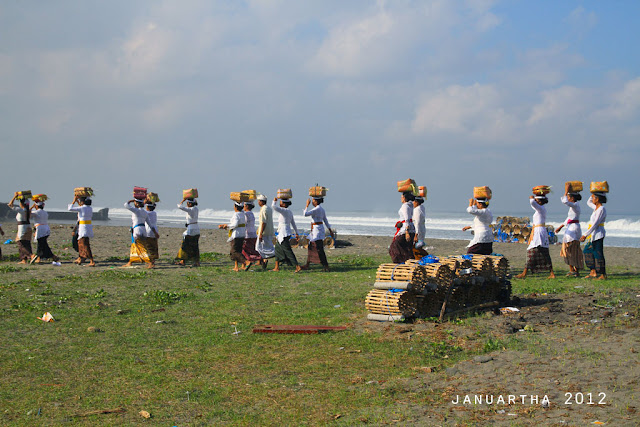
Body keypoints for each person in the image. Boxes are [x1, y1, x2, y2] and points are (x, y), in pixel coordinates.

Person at [516, 194, 555, 279]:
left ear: (539, 202)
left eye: (537, 200)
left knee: (532, 251)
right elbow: (534, 206)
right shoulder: (540, 209)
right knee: (543, 252)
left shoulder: (540, 209)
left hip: (539, 232)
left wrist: (531, 199)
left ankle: (525, 273)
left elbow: (533, 204)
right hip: (538, 231)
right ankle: (551, 273)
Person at [555, 183, 584, 277]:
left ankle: (573, 270)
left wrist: (566, 191)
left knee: (569, 250)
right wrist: (561, 226)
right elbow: (569, 218)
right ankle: (574, 270)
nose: (567, 197)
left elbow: (565, 202)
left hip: (573, 229)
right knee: (572, 249)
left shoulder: (575, 205)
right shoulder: (575, 207)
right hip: (572, 227)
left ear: (572, 198)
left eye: (568, 196)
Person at [580, 192, 607, 280]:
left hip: (598, 234)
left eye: (594, 198)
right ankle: (593, 271)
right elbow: (588, 202)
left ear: (598, 199)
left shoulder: (601, 209)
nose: (593, 199)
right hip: (593, 234)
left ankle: (602, 274)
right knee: (587, 251)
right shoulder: (596, 208)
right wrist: (592, 194)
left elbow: (595, 224)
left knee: (598, 253)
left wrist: (585, 234)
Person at [301, 196, 333, 271]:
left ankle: (325, 265)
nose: (312, 202)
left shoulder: (316, 209)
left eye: (313, 200)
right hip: (317, 230)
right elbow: (326, 221)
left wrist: (307, 205)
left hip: (317, 231)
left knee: (318, 248)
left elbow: (305, 214)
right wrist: (330, 230)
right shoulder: (322, 209)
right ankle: (308, 264)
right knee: (312, 246)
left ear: (316, 201)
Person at [271, 197, 301, 272]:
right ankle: (276, 267)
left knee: (288, 251)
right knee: (277, 249)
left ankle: (297, 266)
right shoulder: (289, 212)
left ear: (284, 204)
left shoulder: (284, 210)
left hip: (283, 233)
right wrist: (296, 233)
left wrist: (274, 201)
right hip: (284, 232)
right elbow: (293, 223)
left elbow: (274, 207)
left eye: (280, 202)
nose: (280, 203)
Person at [122, 198, 153, 268]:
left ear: (137, 203)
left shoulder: (136, 211)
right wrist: (155, 232)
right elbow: (150, 224)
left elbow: (126, 205)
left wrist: (131, 200)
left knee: (141, 247)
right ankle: (130, 262)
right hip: (143, 229)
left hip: (137, 230)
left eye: (135, 203)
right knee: (135, 246)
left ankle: (150, 262)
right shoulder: (145, 212)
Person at [218, 202, 247, 271]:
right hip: (242, 233)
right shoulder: (243, 213)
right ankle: (236, 266)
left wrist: (226, 226)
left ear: (235, 207)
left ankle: (246, 262)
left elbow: (234, 224)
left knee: (234, 252)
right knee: (239, 250)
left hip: (236, 234)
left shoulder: (236, 214)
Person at [68, 195, 96, 266]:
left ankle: (91, 260)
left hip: (83, 227)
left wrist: (74, 200)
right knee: (82, 243)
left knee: (83, 244)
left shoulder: (82, 208)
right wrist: (78, 201)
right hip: (88, 226)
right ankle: (81, 258)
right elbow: (81, 207)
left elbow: (70, 208)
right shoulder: (89, 208)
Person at [389, 191, 415, 263]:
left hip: (406, 229)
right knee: (407, 248)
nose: (401, 198)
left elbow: (406, 219)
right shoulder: (410, 205)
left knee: (395, 247)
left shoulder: (405, 206)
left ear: (404, 198)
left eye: (402, 197)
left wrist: (406, 232)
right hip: (410, 229)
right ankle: (409, 262)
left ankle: (401, 262)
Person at [8, 193, 34, 264]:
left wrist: (14, 196)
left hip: (22, 227)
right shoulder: (27, 210)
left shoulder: (21, 210)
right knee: (26, 243)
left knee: (20, 243)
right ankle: (24, 259)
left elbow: (10, 205)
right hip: (28, 227)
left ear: (22, 204)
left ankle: (31, 255)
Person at [175, 197, 200, 267]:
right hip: (196, 228)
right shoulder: (196, 209)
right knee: (195, 246)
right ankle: (196, 261)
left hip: (191, 229)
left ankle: (183, 261)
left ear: (189, 203)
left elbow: (180, 207)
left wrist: (183, 200)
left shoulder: (191, 209)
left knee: (185, 245)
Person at [255, 194, 275, 270]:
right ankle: (261, 261)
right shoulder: (269, 208)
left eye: (258, 201)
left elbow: (263, 222)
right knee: (265, 247)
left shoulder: (263, 209)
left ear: (261, 201)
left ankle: (267, 258)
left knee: (259, 248)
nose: (258, 203)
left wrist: (260, 233)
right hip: (269, 231)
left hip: (264, 232)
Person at [241, 201, 262, 270]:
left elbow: (245, 224)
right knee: (252, 249)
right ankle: (261, 259)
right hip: (253, 234)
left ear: (246, 206)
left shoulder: (246, 214)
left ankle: (247, 263)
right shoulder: (252, 214)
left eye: (244, 205)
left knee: (244, 250)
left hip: (247, 234)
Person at [145, 200, 160, 265]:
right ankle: (153, 260)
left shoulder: (147, 213)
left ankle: (151, 262)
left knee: (148, 247)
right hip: (154, 231)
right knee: (153, 246)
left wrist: (144, 202)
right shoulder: (154, 213)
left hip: (148, 231)